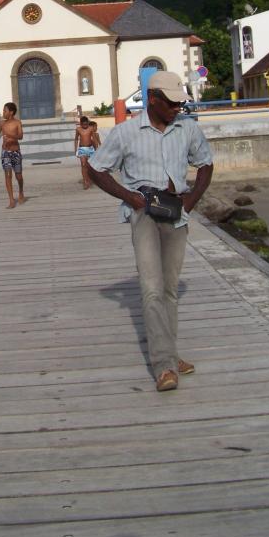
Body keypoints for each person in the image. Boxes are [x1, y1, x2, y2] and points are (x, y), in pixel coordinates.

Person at [87, 71, 214, 392]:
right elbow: (97, 167)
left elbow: (206, 163)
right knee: (152, 288)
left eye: (179, 104)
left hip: (177, 214)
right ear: (153, 99)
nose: (177, 109)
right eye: (171, 103)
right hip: (143, 213)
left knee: (170, 289)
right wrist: (129, 197)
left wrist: (191, 202)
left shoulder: (187, 129)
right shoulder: (126, 133)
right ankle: (163, 366)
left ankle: (170, 354)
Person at [74, 115, 97, 188]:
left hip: (90, 148)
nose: (85, 126)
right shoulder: (78, 129)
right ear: (80, 124)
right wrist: (75, 150)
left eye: (86, 124)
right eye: (83, 124)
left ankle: (90, 179)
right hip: (82, 149)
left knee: (90, 166)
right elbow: (76, 139)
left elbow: (94, 139)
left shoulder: (90, 129)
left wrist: (96, 149)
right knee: (83, 164)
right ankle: (85, 181)